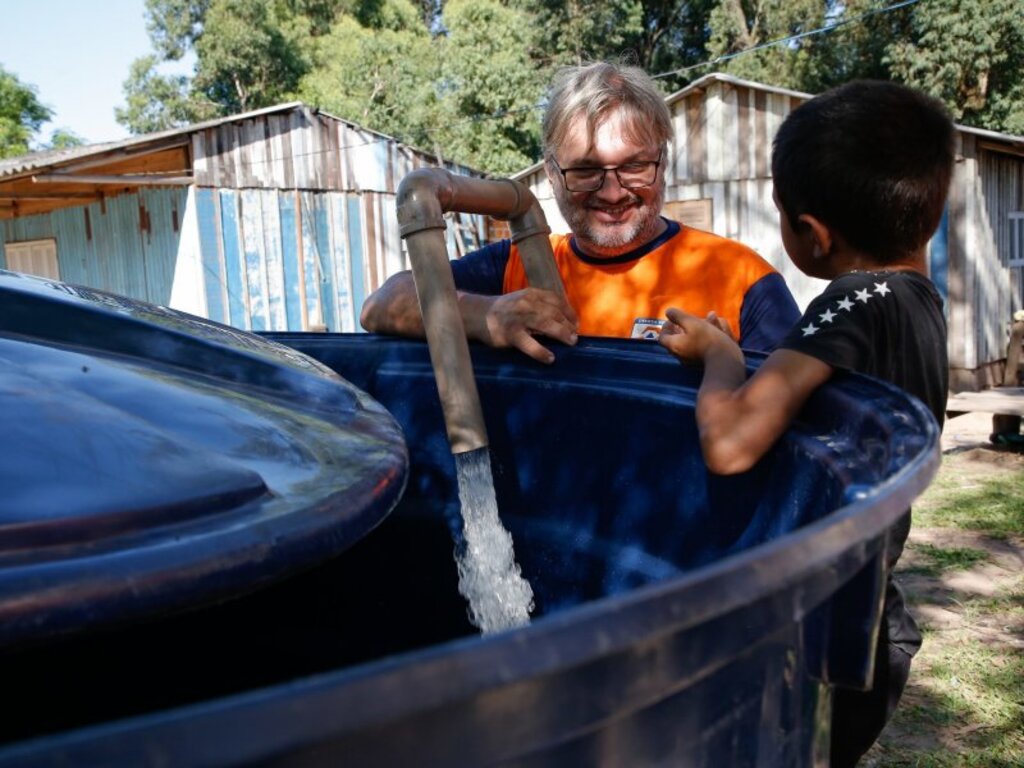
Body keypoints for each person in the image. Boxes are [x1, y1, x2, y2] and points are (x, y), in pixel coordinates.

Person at [657, 80, 955, 767]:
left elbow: (731, 444)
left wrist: (721, 357)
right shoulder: (921, 304)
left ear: (812, 236)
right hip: (870, 618)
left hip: (822, 638)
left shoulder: (853, 300)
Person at [360, 61, 800, 363]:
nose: (612, 192)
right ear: (551, 173)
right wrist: (483, 316)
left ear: (663, 164)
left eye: (633, 165)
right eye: (586, 170)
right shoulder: (519, 263)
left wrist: (730, 370)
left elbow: (799, 426)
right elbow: (380, 305)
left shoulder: (743, 279)